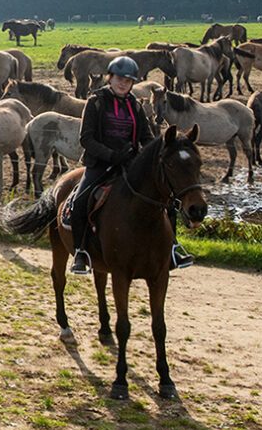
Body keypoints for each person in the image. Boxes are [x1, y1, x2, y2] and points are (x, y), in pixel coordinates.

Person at [64, 56, 194, 275]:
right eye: (119, 78)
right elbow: (86, 139)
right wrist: (112, 155)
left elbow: (146, 136)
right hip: (101, 164)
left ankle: (172, 248)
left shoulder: (135, 104)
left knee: (167, 199)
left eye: (128, 80)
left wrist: (153, 153)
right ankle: (80, 253)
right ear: (110, 78)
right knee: (80, 201)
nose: (123, 83)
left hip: (131, 164)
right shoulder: (96, 101)